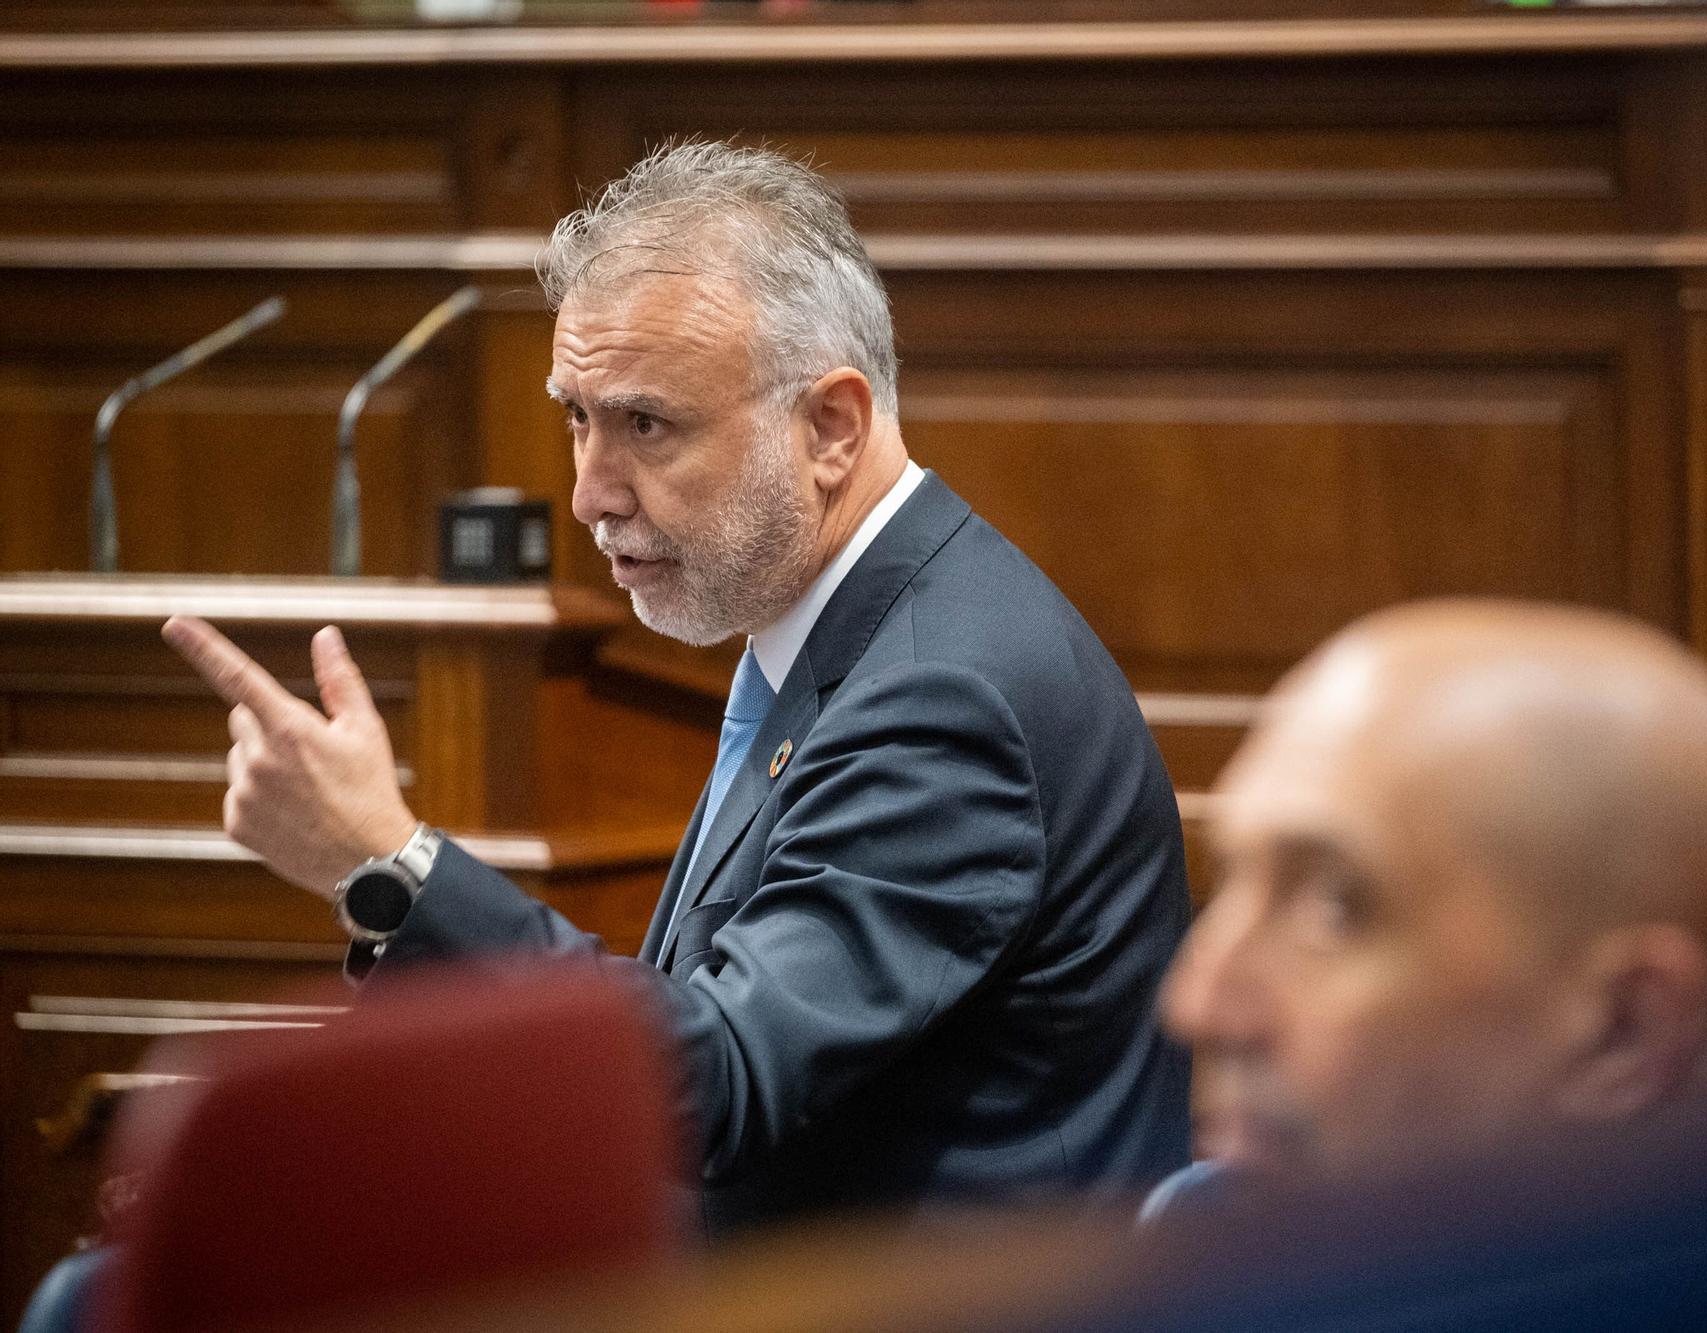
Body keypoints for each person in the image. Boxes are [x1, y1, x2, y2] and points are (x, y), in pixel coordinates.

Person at [161, 141, 1191, 1236]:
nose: (589, 494)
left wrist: (392, 866)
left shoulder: (943, 695)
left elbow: (714, 1079)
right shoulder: (852, 628)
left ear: (829, 428)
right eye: (577, 417)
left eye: (645, 424)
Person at [1154, 600, 1707, 1204]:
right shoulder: (1191, 1230)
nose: (1200, 1004)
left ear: (1623, 1031)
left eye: (1337, 907)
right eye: (1229, 876)